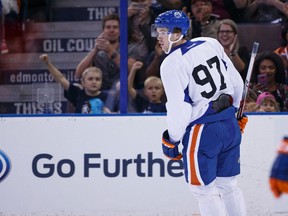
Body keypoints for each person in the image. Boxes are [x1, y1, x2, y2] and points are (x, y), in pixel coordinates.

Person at [154, 10, 247, 215]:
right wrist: (238, 113)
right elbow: (236, 82)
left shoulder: (171, 63)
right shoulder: (209, 43)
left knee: (203, 190)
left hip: (203, 131)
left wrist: (172, 139)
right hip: (229, 126)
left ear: (177, 33)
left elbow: (180, 108)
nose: (158, 37)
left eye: (162, 32)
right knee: (228, 185)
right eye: (157, 32)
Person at [39, 54, 110, 114]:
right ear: (83, 82)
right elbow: (61, 79)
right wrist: (48, 63)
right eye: (90, 79)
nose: (94, 82)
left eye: (97, 79)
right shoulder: (77, 93)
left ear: (101, 82)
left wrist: (111, 114)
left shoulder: (108, 97)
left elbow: (119, 115)